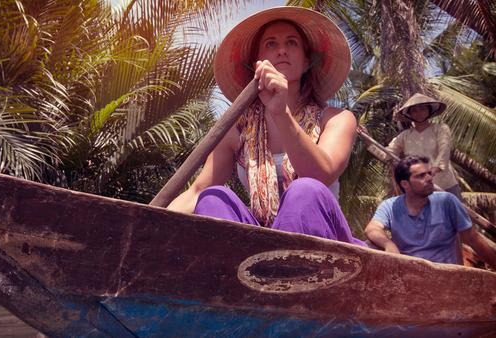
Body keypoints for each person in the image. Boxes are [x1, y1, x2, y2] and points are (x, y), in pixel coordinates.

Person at [167, 7, 365, 246]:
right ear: (257, 64)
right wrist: (149, 222)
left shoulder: (335, 118)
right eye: (271, 44)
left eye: (292, 43)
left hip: (323, 242)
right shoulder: (237, 128)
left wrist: (280, 112)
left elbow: (320, 174)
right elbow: (197, 191)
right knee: (214, 197)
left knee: (305, 191)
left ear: (306, 62)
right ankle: (242, 273)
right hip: (259, 245)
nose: (281, 50)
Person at [365, 156, 496, 267]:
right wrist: (388, 244)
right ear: (405, 184)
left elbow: (473, 238)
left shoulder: (447, 202)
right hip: (409, 275)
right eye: (421, 176)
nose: (429, 178)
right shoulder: (390, 206)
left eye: (429, 173)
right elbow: (372, 229)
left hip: (446, 277)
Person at [387, 93, 462, 199]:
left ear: (429, 110)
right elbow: (387, 153)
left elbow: (444, 150)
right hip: (421, 188)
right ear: (409, 114)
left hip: (445, 185)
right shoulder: (405, 136)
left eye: (422, 109)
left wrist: (434, 169)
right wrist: (368, 141)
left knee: (454, 214)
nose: (419, 113)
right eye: (414, 111)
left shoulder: (440, 129)